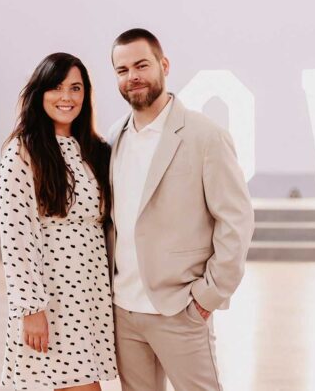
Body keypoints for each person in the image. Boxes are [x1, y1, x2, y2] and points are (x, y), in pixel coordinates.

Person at [108, 28, 255, 391]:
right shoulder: (113, 138)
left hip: (180, 309)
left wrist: (207, 298)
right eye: (123, 70)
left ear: (164, 65)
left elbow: (235, 221)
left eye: (141, 65)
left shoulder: (205, 136)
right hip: (124, 311)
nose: (132, 76)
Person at [0, 52, 117, 391]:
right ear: (40, 93)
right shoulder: (22, 151)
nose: (67, 97)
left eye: (75, 88)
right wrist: (30, 308)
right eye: (57, 87)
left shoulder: (95, 150)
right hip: (52, 294)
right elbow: (15, 236)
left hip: (90, 291)